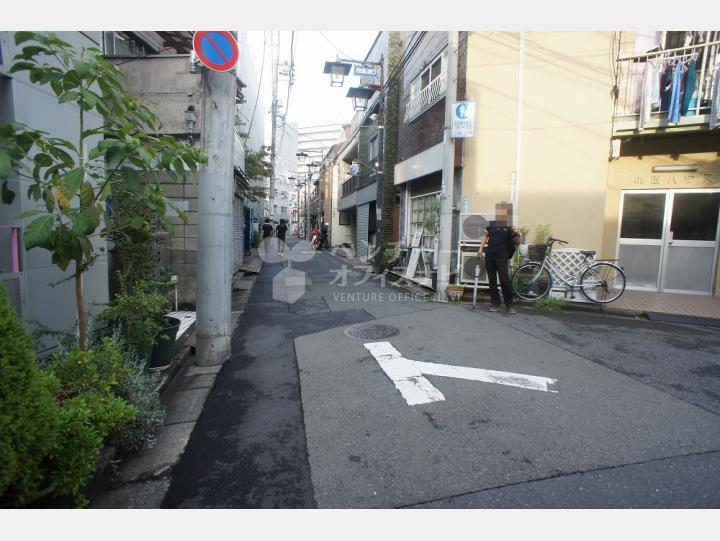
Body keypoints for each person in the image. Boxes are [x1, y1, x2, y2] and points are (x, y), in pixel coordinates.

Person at [477, 203, 522, 314]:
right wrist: (480, 249)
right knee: (492, 281)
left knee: (504, 281)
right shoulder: (491, 225)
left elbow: (517, 242)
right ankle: (495, 304)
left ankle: (509, 305)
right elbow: (485, 236)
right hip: (490, 256)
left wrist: (519, 234)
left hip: (502, 257)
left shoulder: (510, 227)